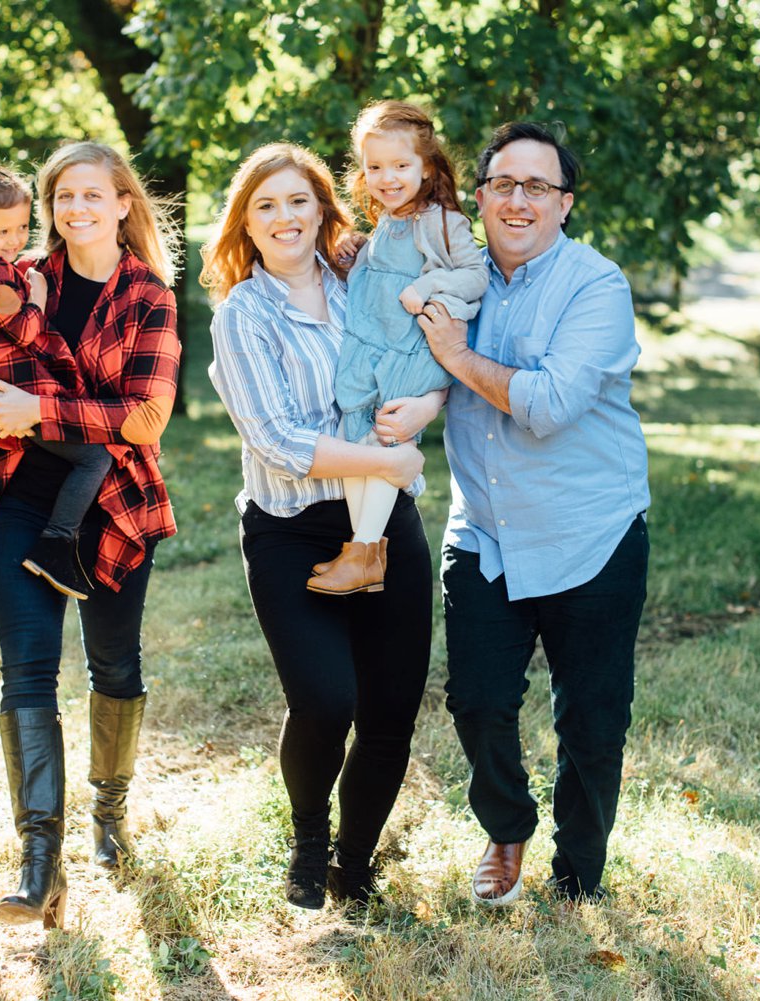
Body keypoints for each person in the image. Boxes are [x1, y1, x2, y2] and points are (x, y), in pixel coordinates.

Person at [0, 141, 180, 929]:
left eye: (91, 194)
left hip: (112, 500)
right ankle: (39, 862)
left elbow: (145, 418)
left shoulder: (148, 293)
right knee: (26, 670)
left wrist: (39, 410)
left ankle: (109, 812)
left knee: (113, 661)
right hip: (18, 491)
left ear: (121, 203)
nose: (75, 208)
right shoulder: (16, 276)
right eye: (62, 196)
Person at [415, 122, 651, 906]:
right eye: (504, 184)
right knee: (477, 700)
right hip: (484, 532)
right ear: (479, 197)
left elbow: (547, 405)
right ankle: (506, 826)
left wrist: (457, 358)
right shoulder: (454, 279)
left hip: (592, 531)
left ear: (565, 204)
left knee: (592, 721)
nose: (519, 200)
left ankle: (578, 870)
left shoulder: (596, 286)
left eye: (538, 187)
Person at [203, 143, 439, 909]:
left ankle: (355, 857)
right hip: (291, 529)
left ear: (321, 209)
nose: (285, 218)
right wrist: (382, 463)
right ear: (247, 221)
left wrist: (416, 419)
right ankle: (309, 837)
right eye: (266, 206)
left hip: (385, 523)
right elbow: (276, 438)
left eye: (298, 201)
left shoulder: (362, 285)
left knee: (391, 712)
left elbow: (426, 354)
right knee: (326, 699)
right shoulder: (243, 314)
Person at [310, 100, 485, 596]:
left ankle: (365, 547)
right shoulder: (388, 221)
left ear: (427, 168)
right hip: (372, 349)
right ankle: (363, 550)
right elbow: (381, 279)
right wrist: (357, 255)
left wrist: (428, 288)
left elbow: (475, 276)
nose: (387, 177)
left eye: (401, 166)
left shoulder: (443, 221)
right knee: (357, 438)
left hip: (409, 353)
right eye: (375, 167)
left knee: (386, 440)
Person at [0, 146, 113, 600]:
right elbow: (24, 327)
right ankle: (57, 542)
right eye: (2, 231)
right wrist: (36, 295)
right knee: (95, 457)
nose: (15, 239)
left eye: (21, 227)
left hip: (9, 384)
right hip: (18, 387)